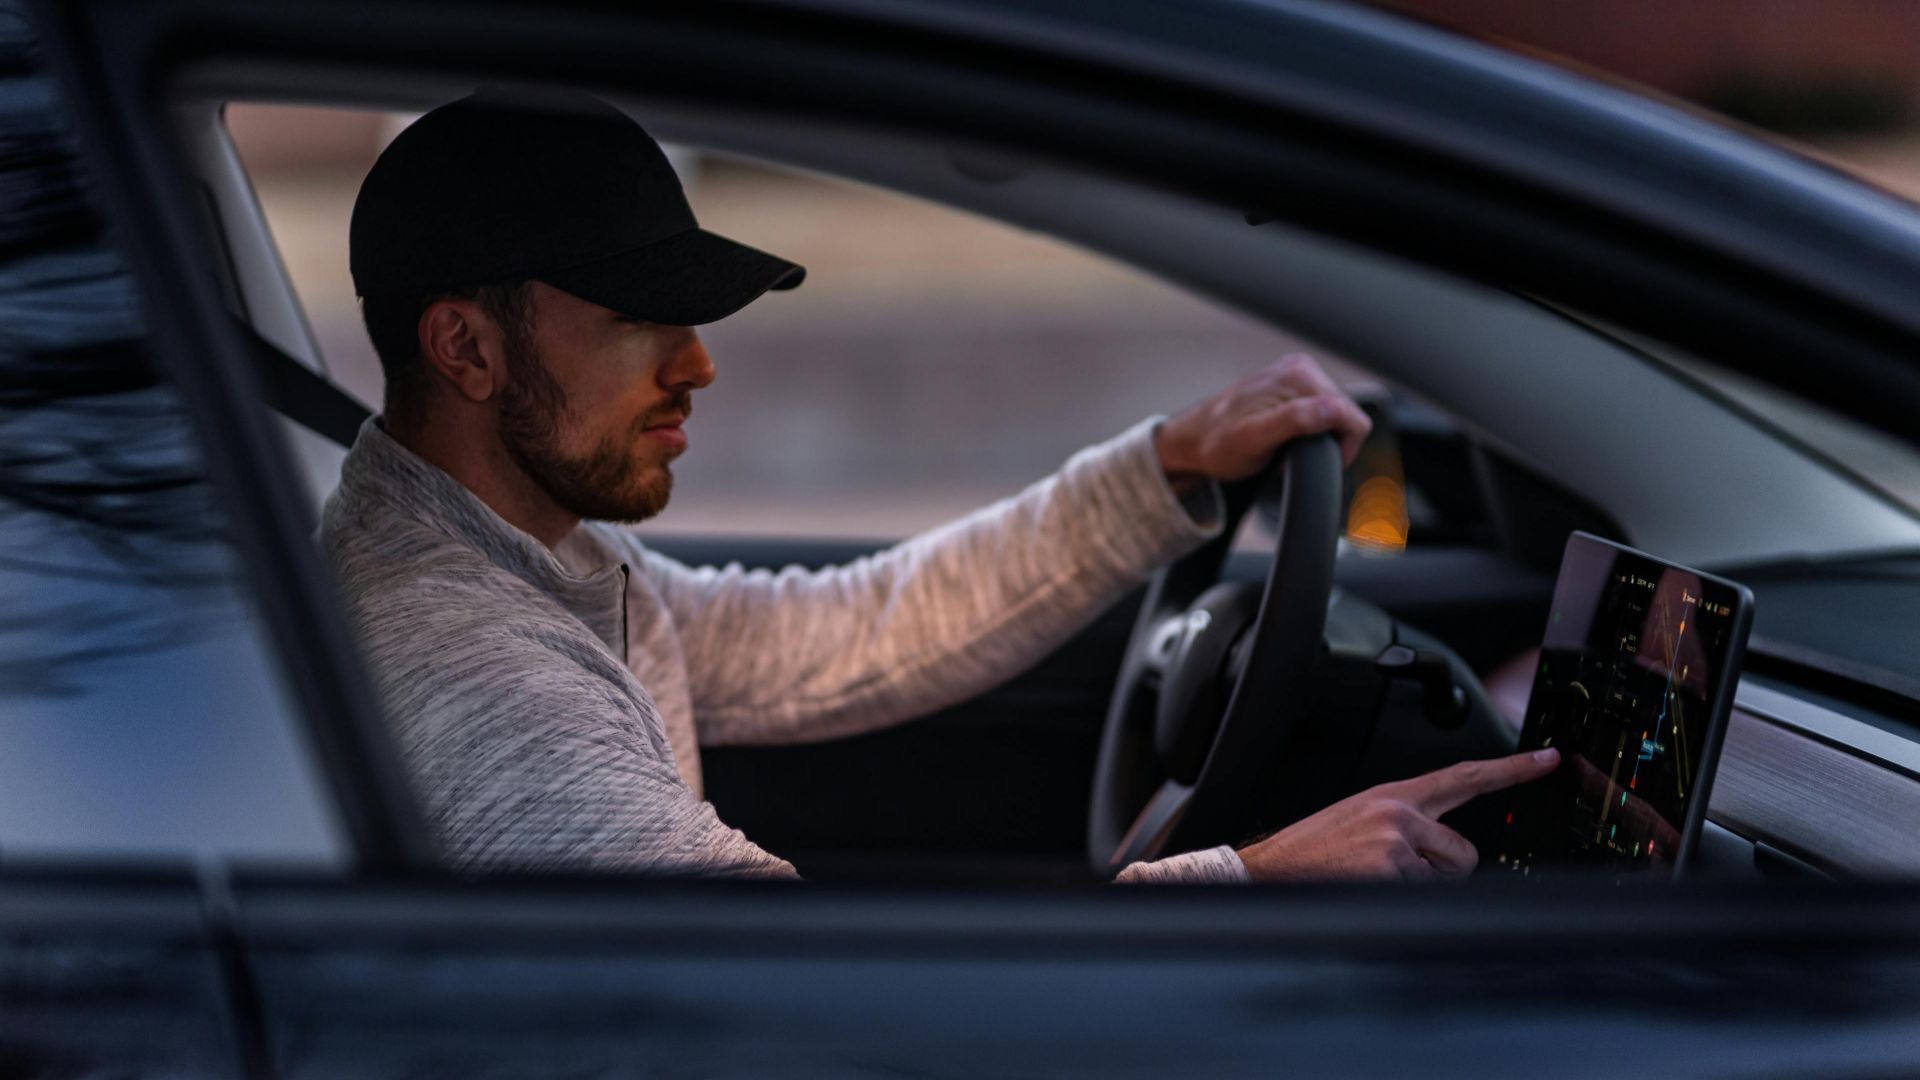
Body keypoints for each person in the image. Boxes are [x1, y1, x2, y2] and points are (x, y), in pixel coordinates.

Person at [323, 88, 1558, 884]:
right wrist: (1260, 882)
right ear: (466, 350)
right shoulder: (470, 667)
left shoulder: (538, 554)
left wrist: (1164, 464)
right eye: (646, 320)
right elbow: (810, 999)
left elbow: (849, 632)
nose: (699, 365)